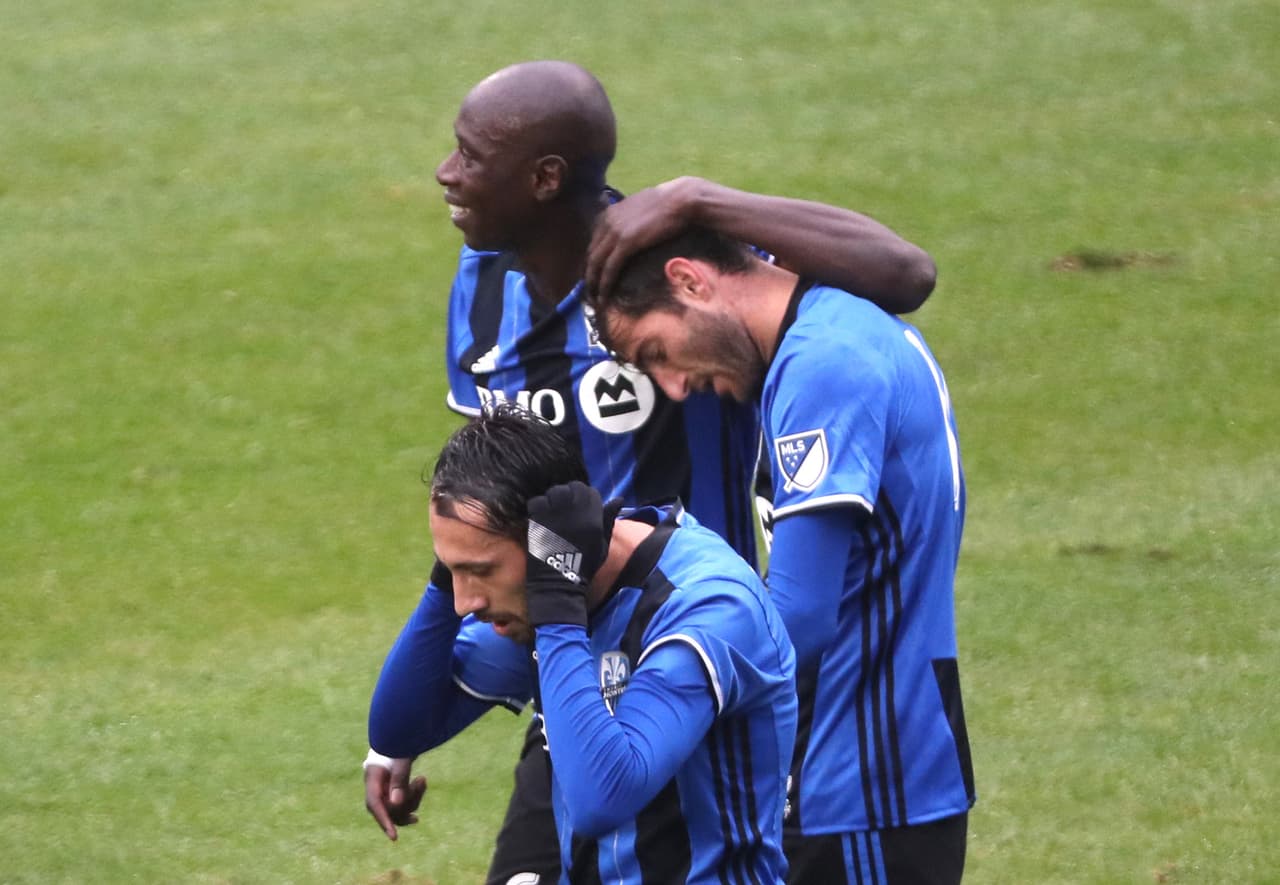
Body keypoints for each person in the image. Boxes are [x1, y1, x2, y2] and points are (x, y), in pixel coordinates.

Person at [365, 59, 938, 885]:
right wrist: (416, 700)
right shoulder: (480, 286)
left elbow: (905, 272)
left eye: (469, 153)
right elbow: (488, 486)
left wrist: (701, 198)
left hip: (695, 653)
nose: (445, 173)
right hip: (566, 652)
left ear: (543, 178)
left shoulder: (674, 265)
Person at [587, 226, 974, 884]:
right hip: (879, 769)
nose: (674, 387)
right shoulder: (839, 323)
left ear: (690, 281)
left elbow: (797, 616)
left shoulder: (821, 364)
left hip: (855, 785)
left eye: (656, 352)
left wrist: (652, 708)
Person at [401, 403, 798, 883]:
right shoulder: (543, 598)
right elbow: (399, 729)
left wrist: (557, 609)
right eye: (452, 571)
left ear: (541, 549)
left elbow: (601, 798)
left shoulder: (708, 606)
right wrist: (445, 579)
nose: (464, 604)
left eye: (479, 570)